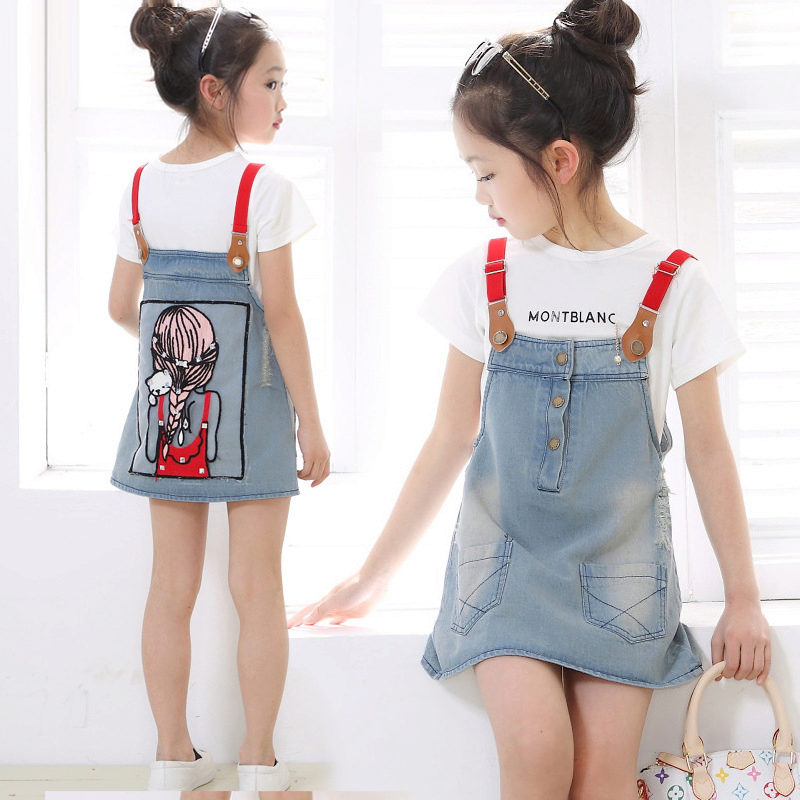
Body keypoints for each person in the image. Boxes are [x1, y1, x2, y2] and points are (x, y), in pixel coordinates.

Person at [288, 2, 770, 798]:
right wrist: (370, 577)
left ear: (559, 160)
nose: (481, 197)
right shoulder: (485, 278)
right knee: (540, 752)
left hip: (622, 572)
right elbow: (449, 439)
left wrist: (743, 597)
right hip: (507, 565)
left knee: (603, 776)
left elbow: (710, 452)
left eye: (486, 173)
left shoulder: (673, 283)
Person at [108, 2, 330, 791]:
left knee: (169, 590)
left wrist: (177, 361)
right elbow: (283, 315)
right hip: (253, 417)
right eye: (271, 83)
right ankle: (261, 766)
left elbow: (120, 307)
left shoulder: (141, 186)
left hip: (164, 422)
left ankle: (172, 760)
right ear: (215, 89)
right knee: (258, 590)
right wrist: (310, 422)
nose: (281, 100)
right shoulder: (263, 188)